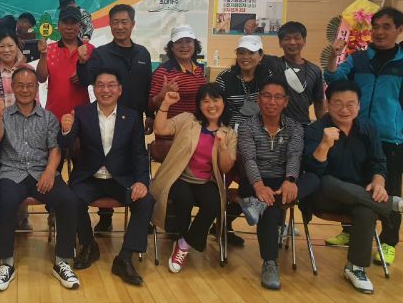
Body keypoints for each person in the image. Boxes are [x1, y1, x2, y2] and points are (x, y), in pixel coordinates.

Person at [303, 80, 403, 293]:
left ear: (359, 105)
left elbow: (379, 162)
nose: (344, 109)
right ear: (328, 104)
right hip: (325, 196)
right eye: (338, 103)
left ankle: (355, 268)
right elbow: (311, 171)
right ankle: (390, 205)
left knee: (366, 209)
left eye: (350, 104)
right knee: (328, 182)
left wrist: (378, 181)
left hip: (359, 195)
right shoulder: (315, 130)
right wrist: (324, 145)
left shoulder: (368, 128)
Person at [60, 69, 154, 286]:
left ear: (119, 90)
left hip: (120, 179)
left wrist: (142, 181)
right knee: (71, 199)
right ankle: (88, 245)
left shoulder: (132, 116)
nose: (106, 90)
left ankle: (125, 257)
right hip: (89, 177)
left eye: (111, 85)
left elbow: (139, 154)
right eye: (100, 85)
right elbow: (65, 145)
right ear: (93, 89)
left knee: (146, 201)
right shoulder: (82, 113)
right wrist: (66, 130)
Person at [0, 68, 80, 291]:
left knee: (69, 200)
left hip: (42, 172)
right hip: (12, 172)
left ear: (36, 88)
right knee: (5, 201)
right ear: (13, 88)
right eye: (20, 85)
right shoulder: (4, 115)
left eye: (30, 85)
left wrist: (50, 171)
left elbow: (55, 148)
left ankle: (62, 261)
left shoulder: (48, 117)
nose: (25, 90)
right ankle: (6, 263)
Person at [324, 7, 403, 264]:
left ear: (399, 30)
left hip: (391, 137)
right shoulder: (358, 59)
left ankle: (389, 241)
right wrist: (334, 56)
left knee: (389, 188)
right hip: (358, 133)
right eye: (376, 26)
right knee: (352, 182)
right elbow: (334, 78)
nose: (379, 32)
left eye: (386, 27)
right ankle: (350, 231)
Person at [76, 4, 152, 233]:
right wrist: (82, 62)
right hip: (105, 116)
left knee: (130, 162)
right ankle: (105, 216)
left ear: (133, 24)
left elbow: (147, 87)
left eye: (124, 22)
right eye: (115, 22)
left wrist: (150, 115)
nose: (120, 26)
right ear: (109, 25)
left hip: (133, 120)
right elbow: (86, 79)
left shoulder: (143, 54)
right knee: (105, 156)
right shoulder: (101, 53)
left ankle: (139, 209)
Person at [236, 78, 318, 290]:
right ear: (258, 99)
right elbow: (249, 159)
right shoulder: (246, 127)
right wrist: (258, 186)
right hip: (254, 180)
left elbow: (294, 155)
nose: (272, 101)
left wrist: (290, 180)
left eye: (278, 97)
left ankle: (258, 205)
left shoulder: (295, 127)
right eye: (267, 96)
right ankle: (270, 263)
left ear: (286, 101)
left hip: (282, 181)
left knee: (313, 179)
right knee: (271, 210)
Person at [150, 84, 237, 273]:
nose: (211, 105)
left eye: (215, 100)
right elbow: (161, 129)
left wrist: (222, 147)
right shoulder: (188, 119)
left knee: (214, 203)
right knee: (183, 197)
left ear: (223, 103)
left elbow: (225, 168)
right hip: (178, 176)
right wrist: (165, 104)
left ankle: (183, 243)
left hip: (206, 181)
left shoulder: (229, 133)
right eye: (205, 101)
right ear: (199, 105)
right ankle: (182, 239)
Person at [36, 5, 95, 121]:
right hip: (53, 116)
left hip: (82, 116)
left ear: (80, 26)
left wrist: (83, 73)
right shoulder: (49, 49)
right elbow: (41, 78)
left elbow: (97, 80)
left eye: (73, 23)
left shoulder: (89, 49)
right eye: (65, 23)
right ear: (58, 26)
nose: (69, 27)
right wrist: (42, 54)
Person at [263, 21, 325, 125]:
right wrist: (248, 34)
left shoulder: (315, 70)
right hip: (275, 126)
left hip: (303, 126)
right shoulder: (273, 64)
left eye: (297, 38)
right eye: (287, 38)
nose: (292, 42)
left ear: (304, 41)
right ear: (280, 42)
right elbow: (254, 55)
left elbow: (319, 102)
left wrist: (322, 127)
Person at [215, 35, 273, 132]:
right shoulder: (224, 78)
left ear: (261, 56)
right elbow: (216, 107)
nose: (245, 57)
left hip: (261, 132)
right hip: (231, 132)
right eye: (241, 52)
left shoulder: (268, 77)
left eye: (251, 52)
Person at [148, 25, 206, 119]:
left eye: (188, 41)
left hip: (196, 125)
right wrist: (162, 96)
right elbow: (149, 106)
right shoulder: (163, 72)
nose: (184, 45)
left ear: (194, 45)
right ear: (172, 47)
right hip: (171, 126)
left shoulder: (198, 68)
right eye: (179, 42)